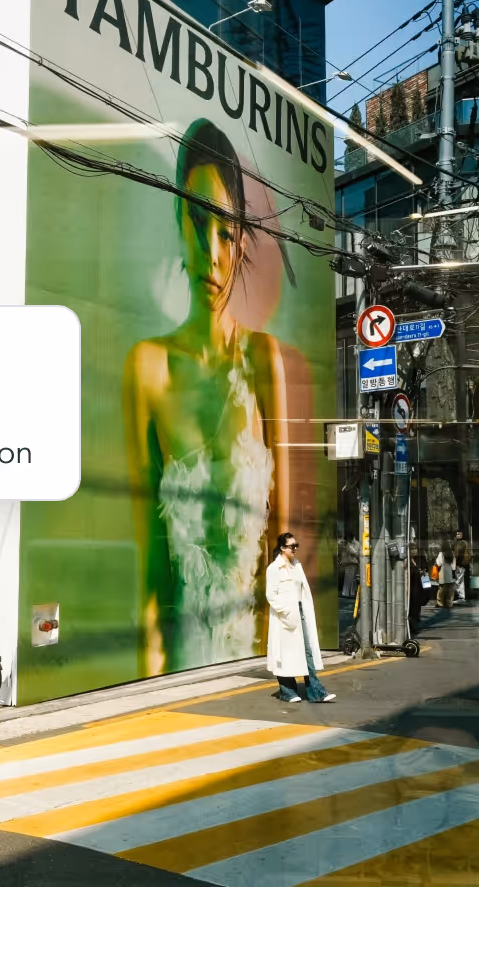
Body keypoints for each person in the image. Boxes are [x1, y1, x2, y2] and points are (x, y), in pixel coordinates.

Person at [124, 119, 289, 678]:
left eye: (226, 231)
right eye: (197, 221)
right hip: (184, 664)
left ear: (242, 238)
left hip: (261, 657)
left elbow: (284, 545)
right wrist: (145, 691)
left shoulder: (263, 361)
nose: (212, 254)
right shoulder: (147, 368)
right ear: (177, 219)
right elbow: (151, 577)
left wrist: (282, 663)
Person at [266, 532, 335, 703]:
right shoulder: (274, 569)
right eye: (291, 546)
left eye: (296, 545)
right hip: (284, 615)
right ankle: (288, 692)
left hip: (300, 611)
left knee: (306, 652)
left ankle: (316, 692)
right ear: (282, 548)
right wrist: (285, 611)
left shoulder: (297, 565)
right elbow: (271, 595)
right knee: (284, 654)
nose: (295, 549)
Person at [453, 528, 471, 604]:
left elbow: (458, 554)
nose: (457, 535)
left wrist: (456, 563)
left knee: (458, 581)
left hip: (460, 564)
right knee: (461, 581)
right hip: (462, 564)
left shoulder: (461, 543)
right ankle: (461, 597)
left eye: (459, 534)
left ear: (462, 535)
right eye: (457, 534)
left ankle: (456, 595)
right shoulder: (464, 543)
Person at [435, 539, 455, 608]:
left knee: (441, 588)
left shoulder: (441, 554)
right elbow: (454, 566)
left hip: (442, 572)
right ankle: (449, 603)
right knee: (450, 589)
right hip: (450, 573)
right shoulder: (452, 553)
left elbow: (438, 563)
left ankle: (440, 602)